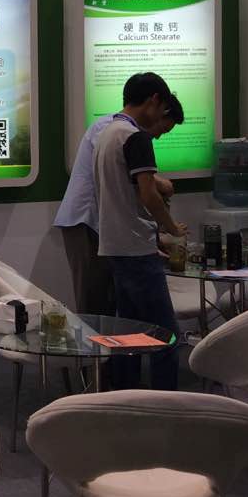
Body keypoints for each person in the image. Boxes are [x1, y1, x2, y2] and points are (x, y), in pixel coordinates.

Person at [55, 73, 181, 316]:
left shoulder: (117, 129)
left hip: (104, 227)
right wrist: (170, 224)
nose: (157, 135)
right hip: (87, 221)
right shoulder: (119, 131)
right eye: (161, 127)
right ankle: (95, 343)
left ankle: (109, 342)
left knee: (112, 306)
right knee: (95, 303)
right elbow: (137, 184)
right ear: (154, 103)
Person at [93, 77, 187, 390]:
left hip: (115, 245)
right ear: (154, 100)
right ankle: (166, 402)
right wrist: (171, 228)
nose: (159, 118)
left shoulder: (106, 133)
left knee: (128, 332)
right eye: (162, 108)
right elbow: (148, 194)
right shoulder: (135, 137)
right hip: (135, 247)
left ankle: (126, 394)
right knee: (166, 335)